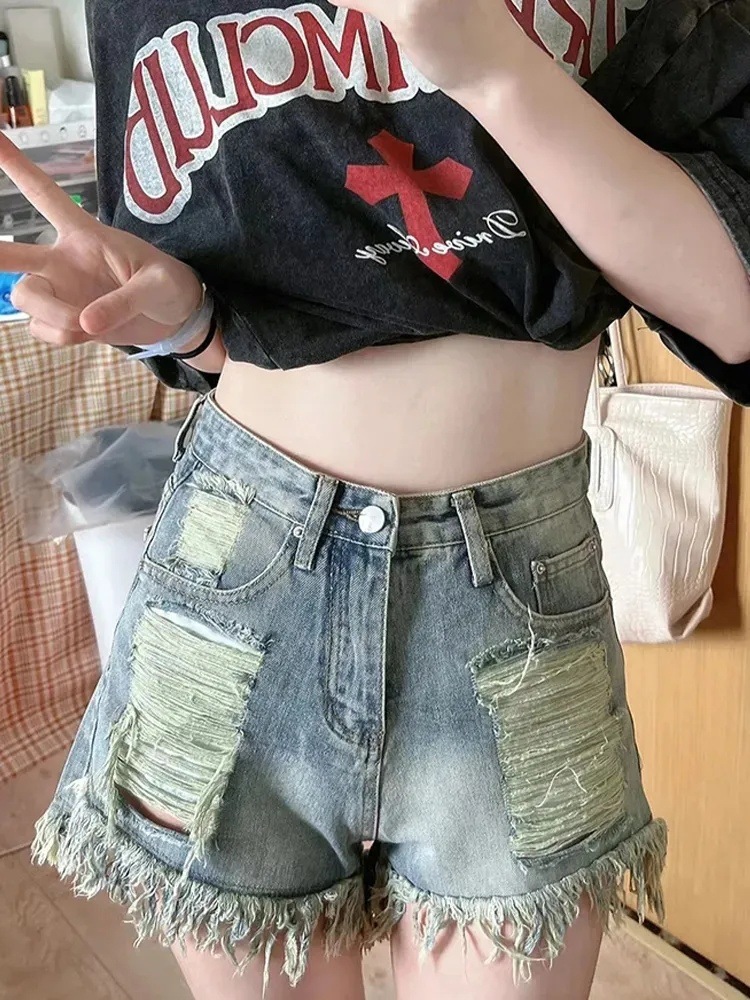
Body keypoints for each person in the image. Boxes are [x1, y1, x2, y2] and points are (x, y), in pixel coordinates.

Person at [6, 0, 749, 998]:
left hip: (516, 608)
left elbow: (735, 303)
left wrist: (495, 72)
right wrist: (186, 322)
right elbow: (236, 327)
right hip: (237, 574)